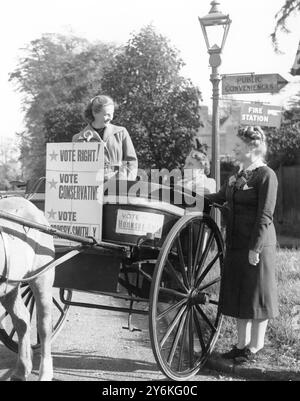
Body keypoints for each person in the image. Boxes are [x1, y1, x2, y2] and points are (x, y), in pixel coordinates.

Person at [205, 125, 279, 363]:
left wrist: (255, 248)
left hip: (257, 245)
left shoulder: (266, 175)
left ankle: (255, 347)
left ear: (252, 147)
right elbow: (218, 198)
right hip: (236, 242)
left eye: (238, 146)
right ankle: (240, 345)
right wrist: (187, 196)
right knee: (240, 294)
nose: (234, 150)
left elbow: (265, 215)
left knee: (257, 295)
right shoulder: (238, 176)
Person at [72, 95, 138, 180]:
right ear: (94, 113)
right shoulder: (78, 139)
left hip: (119, 189)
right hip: (94, 189)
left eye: (112, 114)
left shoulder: (121, 132)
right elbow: (77, 170)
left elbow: (132, 162)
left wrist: (127, 183)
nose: (110, 118)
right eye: (107, 114)